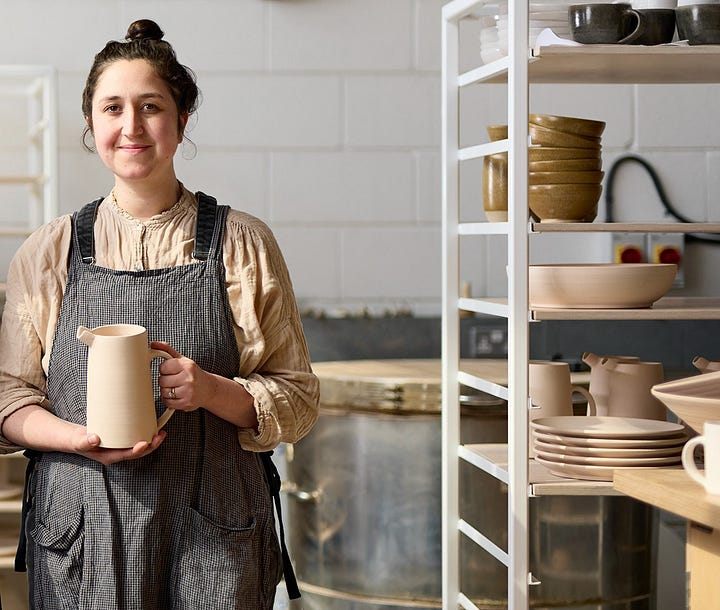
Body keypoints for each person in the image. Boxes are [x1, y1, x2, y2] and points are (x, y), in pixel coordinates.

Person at [0, 18, 319, 610]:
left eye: (150, 106)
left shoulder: (243, 244)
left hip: (215, 537)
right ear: (92, 124)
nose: (131, 127)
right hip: (83, 537)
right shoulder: (50, 251)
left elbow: (297, 399)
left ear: (181, 121)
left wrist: (210, 390)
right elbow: (8, 401)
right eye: (112, 108)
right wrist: (77, 439)